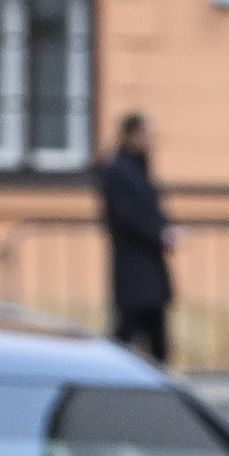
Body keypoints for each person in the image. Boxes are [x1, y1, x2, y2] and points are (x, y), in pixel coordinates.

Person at [93, 112, 171, 364]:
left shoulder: (137, 167)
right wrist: (160, 232)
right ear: (131, 135)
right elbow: (128, 214)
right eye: (146, 135)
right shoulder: (119, 170)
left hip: (148, 264)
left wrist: (165, 228)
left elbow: (151, 208)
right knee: (129, 328)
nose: (150, 140)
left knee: (154, 331)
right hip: (133, 263)